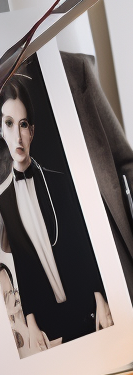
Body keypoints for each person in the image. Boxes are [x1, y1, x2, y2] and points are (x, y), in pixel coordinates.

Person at [0, 78, 111, 348]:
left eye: (23, 124)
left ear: (32, 131)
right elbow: (24, 266)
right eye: (9, 123)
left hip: (86, 305)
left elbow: (80, 241)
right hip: (49, 325)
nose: (18, 135)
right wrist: (31, 321)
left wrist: (100, 296)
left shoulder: (59, 181)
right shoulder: (4, 200)